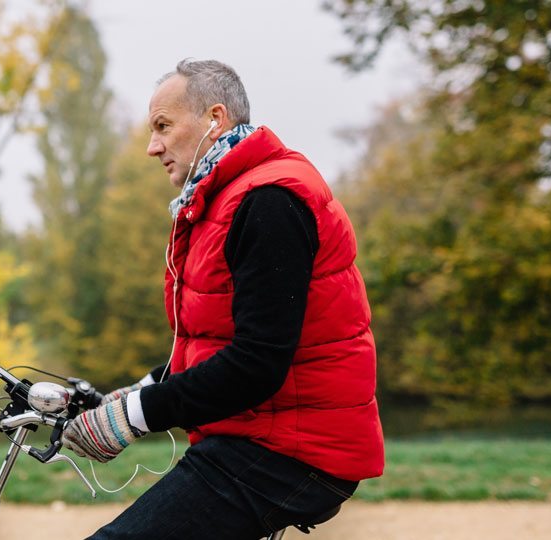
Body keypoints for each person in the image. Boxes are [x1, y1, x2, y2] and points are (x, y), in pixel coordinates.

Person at [61, 59, 384, 539]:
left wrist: (131, 418)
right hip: (257, 437)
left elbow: (257, 363)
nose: (153, 147)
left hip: (288, 451)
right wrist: (132, 393)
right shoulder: (228, 199)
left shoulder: (268, 200)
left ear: (215, 119)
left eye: (163, 127)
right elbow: (217, 344)